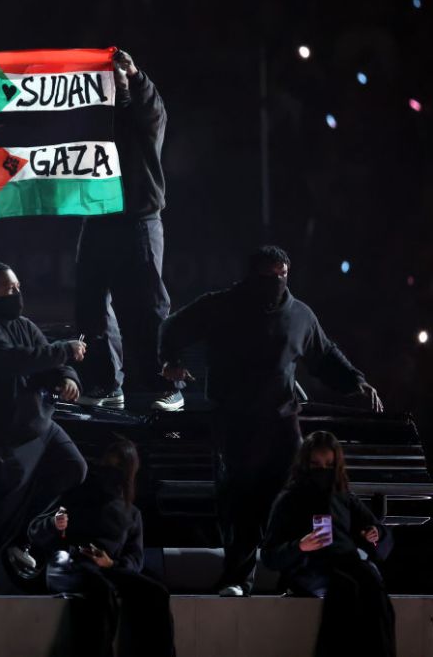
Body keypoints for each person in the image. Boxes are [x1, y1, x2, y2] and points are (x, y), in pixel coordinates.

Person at [158, 245, 383, 597]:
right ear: (252, 276)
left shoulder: (299, 316)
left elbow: (324, 354)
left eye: (282, 276)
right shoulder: (221, 306)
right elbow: (172, 329)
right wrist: (170, 360)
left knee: (296, 499)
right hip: (235, 422)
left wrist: (356, 380)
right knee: (239, 503)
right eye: (268, 276)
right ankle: (237, 578)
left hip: (281, 422)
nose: (276, 283)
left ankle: (302, 575)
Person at [0, 262, 88, 595]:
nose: (17, 293)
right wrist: (64, 349)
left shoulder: (22, 324)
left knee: (73, 468)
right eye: (9, 288)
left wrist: (67, 377)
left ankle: (19, 536)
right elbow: (12, 360)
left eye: (18, 287)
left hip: (36, 423)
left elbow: (48, 360)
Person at [74, 49, 185, 412]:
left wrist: (135, 76)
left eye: (117, 78)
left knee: (149, 307)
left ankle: (165, 384)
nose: (113, 83)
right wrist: (4, 75)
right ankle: (106, 383)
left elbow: (152, 108)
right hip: (98, 217)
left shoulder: (145, 116)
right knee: (91, 305)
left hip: (139, 219)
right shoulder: (93, 119)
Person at [29, 439, 175, 657]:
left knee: (156, 592)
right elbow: (34, 530)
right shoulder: (75, 496)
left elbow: (135, 557)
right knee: (100, 591)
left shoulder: (131, 513)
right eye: (107, 467)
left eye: (118, 469)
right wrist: (53, 523)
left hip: (108, 569)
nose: (110, 474)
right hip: (71, 565)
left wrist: (111, 563)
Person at [262, 431, 395, 657]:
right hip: (309, 569)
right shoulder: (289, 499)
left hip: (346, 563)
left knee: (371, 583)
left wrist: (375, 534)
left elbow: (379, 534)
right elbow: (270, 555)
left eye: (328, 465)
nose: (322, 471)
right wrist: (300, 547)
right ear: (305, 465)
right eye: (316, 465)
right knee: (346, 587)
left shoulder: (343, 497)